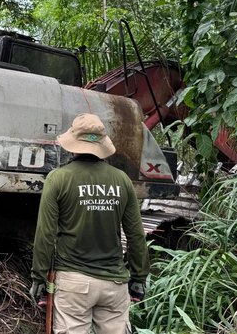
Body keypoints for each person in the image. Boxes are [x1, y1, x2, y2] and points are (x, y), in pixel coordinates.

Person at [30, 113, 149, 334]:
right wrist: (139, 277)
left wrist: (39, 277)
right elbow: (135, 235)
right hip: (114, 284)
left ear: (73, 143)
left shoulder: (58, 178)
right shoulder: (121, 180)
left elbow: (45, 234)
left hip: (73, 283)